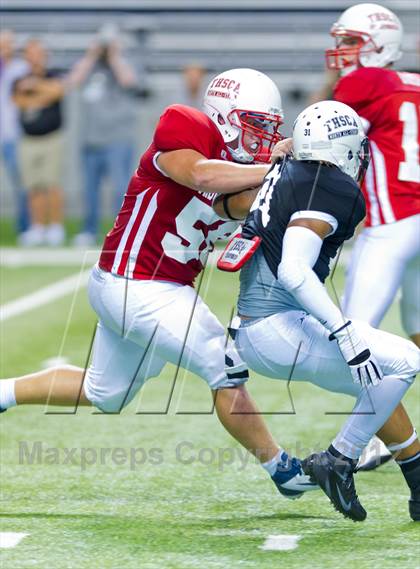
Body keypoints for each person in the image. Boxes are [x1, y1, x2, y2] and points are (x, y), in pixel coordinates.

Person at [0, 68, 318, 500]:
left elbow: (244, 201)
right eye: (256, 125)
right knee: (223, 368)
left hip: (150, 287)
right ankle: (283, 470)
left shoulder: (243, 169)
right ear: (225, 117)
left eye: (269, 128)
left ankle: (3, 393)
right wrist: (275, 170)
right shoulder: (184, 127)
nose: (264, 136)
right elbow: (203, 175)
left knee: (105, 393)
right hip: (137, 284)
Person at [214, 100, 420, 522]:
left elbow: (223, 205)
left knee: (377, 385)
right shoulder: (331, 187)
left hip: (252, 328)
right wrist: (345, 333)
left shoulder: (285, 172)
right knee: (405, 361)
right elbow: (293, 269)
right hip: (279, 326)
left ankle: (418, 483)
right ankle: (339, 459)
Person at [325, 2, 420, 470]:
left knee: (352, 341)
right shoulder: (415, 84)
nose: (342, 51)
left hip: (393, 223)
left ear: (379, 45)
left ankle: (373, 439)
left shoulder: (364, 82)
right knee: (417, 332)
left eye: (350, 42)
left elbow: (331, 143)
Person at [68, 24, 149, 247]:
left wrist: (114, 56)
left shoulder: (125, 62)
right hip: (91, 139)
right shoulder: (91, 66)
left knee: (120, 188)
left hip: (118, 138)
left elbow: (129, 81)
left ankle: (121, 231)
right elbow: (73, 81)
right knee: (89, 189)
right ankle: (89, 229)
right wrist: (92, 54)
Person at [13, 38, 66, 247]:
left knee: (51, 184)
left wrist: (35, 87)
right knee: (33, 186)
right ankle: (37, 227)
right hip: (28, 139)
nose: (33, 57)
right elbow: (18, 101)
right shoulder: (19, 78)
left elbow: (57, 91)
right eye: (30, 53)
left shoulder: (53, 74)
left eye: (37, 53)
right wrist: (42, 96)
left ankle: (55, 227)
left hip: (50, 137)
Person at [0, 29, 30, 236]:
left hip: (14, 134)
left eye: (7, 44)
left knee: (22, 184)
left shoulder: (21, 68)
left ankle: (25, 228)